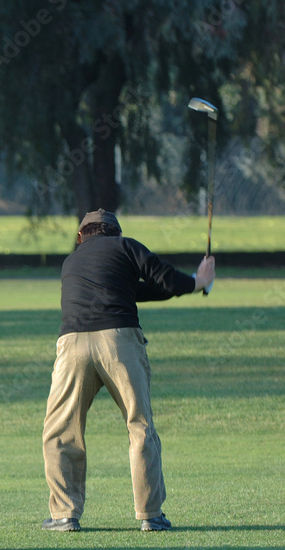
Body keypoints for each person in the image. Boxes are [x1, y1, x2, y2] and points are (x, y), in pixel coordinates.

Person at [40, 209, 215, 532]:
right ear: (115, 233)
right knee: (139, 426)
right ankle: (149, 515)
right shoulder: (125, 248)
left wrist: (191, 283)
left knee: (60, 430)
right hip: (118, 342)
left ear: (82, 236)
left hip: (71, 345)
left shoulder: (72, 262)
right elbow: (162, 279)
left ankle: (65, 514)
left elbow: (135, 291)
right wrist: (198, 281)